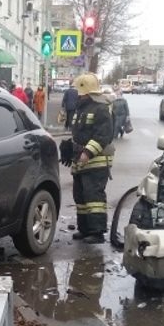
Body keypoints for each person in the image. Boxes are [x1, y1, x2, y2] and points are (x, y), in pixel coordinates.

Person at [59, 72, 114, 244]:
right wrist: (71, 146)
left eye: (79, 91)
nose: (77, 94)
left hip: (95, 161)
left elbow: (103, 136)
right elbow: (80, 133)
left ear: (88, 91)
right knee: (80, 196)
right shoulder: (80, 108)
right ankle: (84, 229)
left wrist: (87, 152)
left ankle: (97, 232)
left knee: (93, 197)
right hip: (80, 161)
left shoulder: (101, 109)